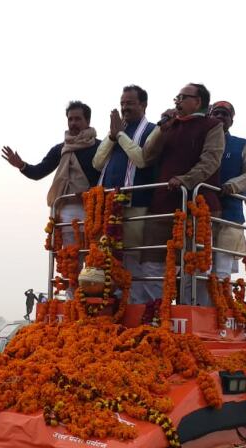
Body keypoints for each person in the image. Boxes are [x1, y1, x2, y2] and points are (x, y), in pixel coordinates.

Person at [140, 82, 225, 304]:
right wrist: (161, 129)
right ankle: (154, 312)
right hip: (162, 204)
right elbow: (146, 157)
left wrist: (185, 180)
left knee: (194, 263)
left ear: (198, 102)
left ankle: (192, 311)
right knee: (152, 262)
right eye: (176, 97)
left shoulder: (212, 126)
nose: (176, 101)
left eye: (182, 97)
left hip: (197, 205)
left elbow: (210, 161)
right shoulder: (169, 126)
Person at [2, 101, 101, 246]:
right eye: (70, 119)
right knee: (70, 262)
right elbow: (38, 172)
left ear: (88, 121)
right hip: (66, 212)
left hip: (93, 211)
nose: (73, 123)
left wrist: (90, 193)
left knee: (95, 263)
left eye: (78, 119)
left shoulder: (100, 146)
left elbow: (109, 176)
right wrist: (21, 165)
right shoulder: (60, 149)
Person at [92, 85, 158, 303]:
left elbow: (141, 160)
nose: (125, 108)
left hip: (136, 203)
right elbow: (97, 163)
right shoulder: (116, 132)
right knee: (109, 254)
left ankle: (134, 302)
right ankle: (117, 298)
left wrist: (119, 134)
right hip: (108, 205)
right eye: (122, 104)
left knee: (133, 253)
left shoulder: (152, 130)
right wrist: (113, 136)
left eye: (129, 103)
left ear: (143, 105)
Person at [207, 100, 246, 280]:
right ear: (209, 116)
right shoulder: (200, 141)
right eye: (216, 113)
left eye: (225, 114)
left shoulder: (241, 145)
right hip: (201, 213)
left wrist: (232, 187)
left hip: (230, 216)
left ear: (232, 120)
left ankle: (220, 307)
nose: (220, 117)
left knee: (222, 270)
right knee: (200, 267)